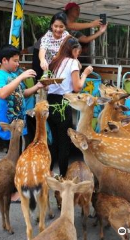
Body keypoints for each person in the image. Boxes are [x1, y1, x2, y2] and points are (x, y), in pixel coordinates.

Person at [47, 35, 93, 177]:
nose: (78, 55)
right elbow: (77, 87)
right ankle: (63, 176)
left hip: (51, 103)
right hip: (63, 102)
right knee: (64, 143)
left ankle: (49, 173)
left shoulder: (55, 61)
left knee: (54, 141)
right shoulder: (72, 63)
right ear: (73, 50)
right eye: (77, 52)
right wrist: (85, 73)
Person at [0, 44, 43, 141]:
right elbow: (2, 94)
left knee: (18, 150)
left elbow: (22, 93)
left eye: (18, 61)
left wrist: (37, 86)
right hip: (7, 125)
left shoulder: (13, 75)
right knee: (11, 153)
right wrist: (21, 77)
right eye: (15, 61)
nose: (18, 64)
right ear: (4, 60)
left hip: (19, 124)